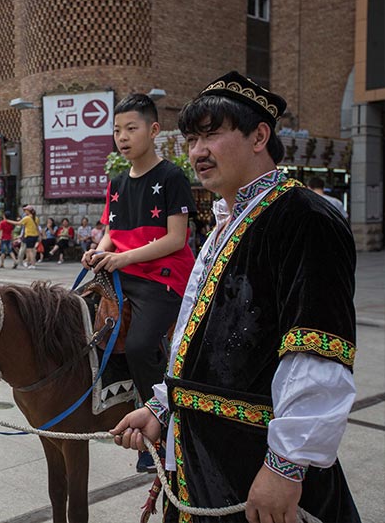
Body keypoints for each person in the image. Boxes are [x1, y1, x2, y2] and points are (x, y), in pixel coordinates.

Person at [111, 72, 360, 523]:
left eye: (211, 135)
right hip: (202, 455)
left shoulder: (305, 218)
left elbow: (317, 352)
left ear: (259, 136)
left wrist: (285, 467)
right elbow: (200, 342)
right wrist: (161, 407)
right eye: (192, 139)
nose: (197, 152)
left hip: (253, 462)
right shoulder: (227, 221)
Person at [82, 92, 196, 472]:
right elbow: (111, 233)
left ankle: (157, 435)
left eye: (131, 128)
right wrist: (97, 252)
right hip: (122, 273)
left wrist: (122, 258)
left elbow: (176, 239)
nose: (123, 137)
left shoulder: (172, 176)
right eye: (117, 130)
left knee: (141, 344)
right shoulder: (116, 182)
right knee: (74, 319)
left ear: (154, 130)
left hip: (163, 278)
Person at [7, 205, 42, 269]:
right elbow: (37, 228)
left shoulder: (27, 218)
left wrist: (8, 221)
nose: (24, 211)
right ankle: (32, 263)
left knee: (29, 250)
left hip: (29, 236)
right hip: (35, 236)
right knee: (32, 250)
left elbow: (18, 223)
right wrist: (39, 236)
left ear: (28, 211)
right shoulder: (36, 218)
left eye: (25, 210)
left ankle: (32, 264)